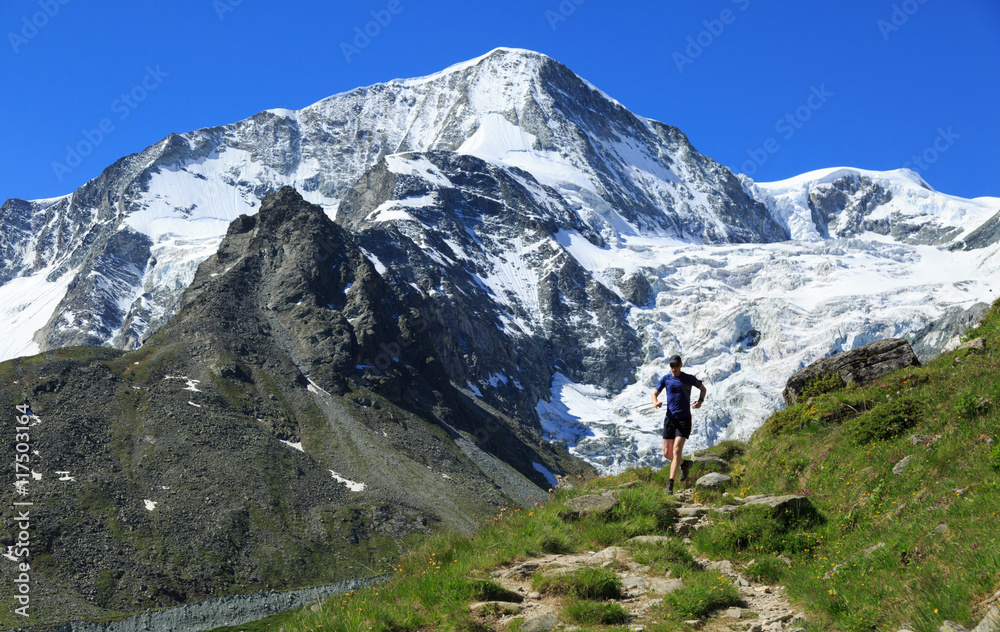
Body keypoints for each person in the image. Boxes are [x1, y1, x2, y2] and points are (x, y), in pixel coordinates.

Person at [651, 355, 706, 494]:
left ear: (681, 365)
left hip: (684, 420)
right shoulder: (666, 379)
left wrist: (700, 401)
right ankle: (685, 464)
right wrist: (655, 402)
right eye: (671, 366)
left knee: (676, 451)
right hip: (670, 419)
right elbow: (654, 394)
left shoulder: (688, 378)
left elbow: (703, 389)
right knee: (666, 453)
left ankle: (670, 483)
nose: (674, 368)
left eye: (676, 365)